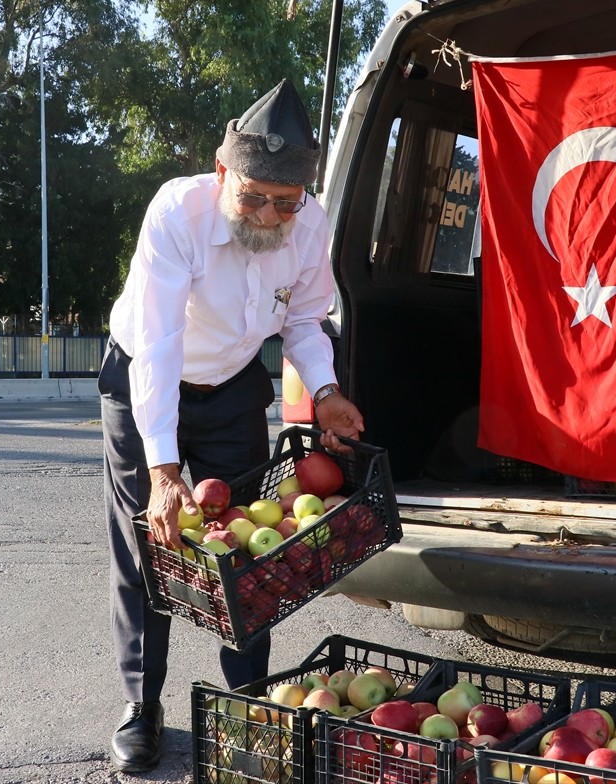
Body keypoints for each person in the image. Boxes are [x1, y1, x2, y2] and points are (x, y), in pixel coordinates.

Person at [98, 78, 365, 773]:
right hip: (144, 385)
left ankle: (248, 704)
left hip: (234, 387)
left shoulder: (309, 221)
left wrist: (327, 388)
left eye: (285, 202)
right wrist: (163, 473)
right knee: (147, 550)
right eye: (253, 197)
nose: (271, 216)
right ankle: (140, 707)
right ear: (223, 172)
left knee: (250, 557)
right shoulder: (177, 214)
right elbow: (156, 345)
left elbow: (305, 320)